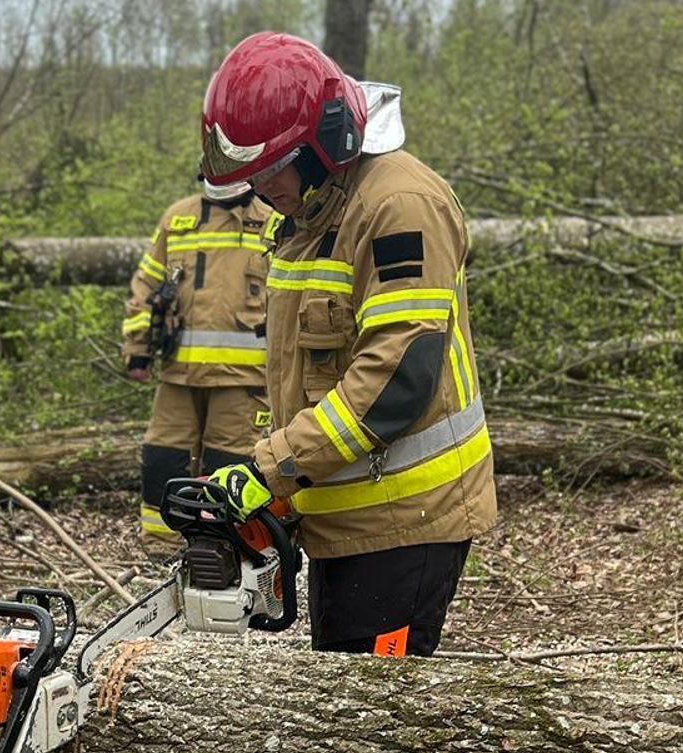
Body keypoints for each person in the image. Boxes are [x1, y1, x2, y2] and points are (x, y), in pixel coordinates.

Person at [198, 33, 496, 658]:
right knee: (343, 707)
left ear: (321, 143)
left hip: (404, 516)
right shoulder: (309, 218)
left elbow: (396, 379)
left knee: (376, 729)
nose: (257, 190)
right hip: (345, 513)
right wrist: (275, 483)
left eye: (267, 170)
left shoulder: (399, 205)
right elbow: (296, 374)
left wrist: (272, 466)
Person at [121, 181, 279, 554]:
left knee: (231, 466)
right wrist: (139, 350)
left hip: (244, 379)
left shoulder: (272, 221)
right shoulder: (178, 219)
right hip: (178, 373)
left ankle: (229, 547)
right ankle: (162, 546)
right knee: (163, 457)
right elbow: (147, 286)